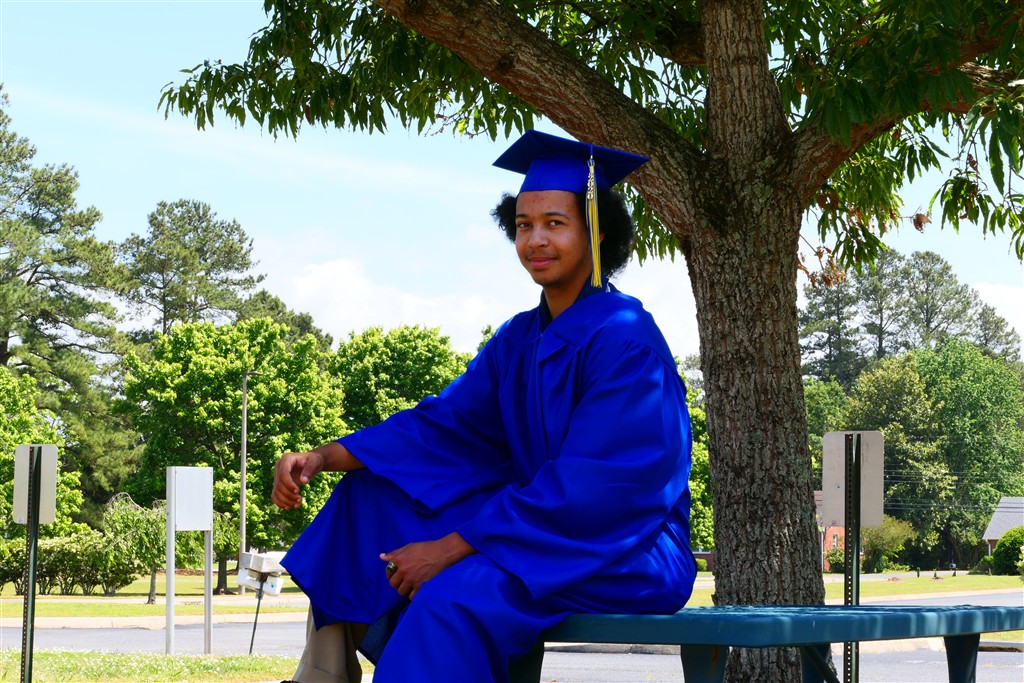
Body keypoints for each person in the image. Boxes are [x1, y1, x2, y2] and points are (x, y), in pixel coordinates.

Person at [271, 129, 697, 683]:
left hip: (626, 549)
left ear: (596, 232)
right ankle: (324, 674)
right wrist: (326, 456)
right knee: (368, 499)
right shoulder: (520, 338)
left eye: (555, 223)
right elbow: (444, 426)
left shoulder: (626, 340)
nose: (535, 240)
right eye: (523, 225)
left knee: (449, 598)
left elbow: (593, 491)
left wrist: (450, 548)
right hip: (535, 531)